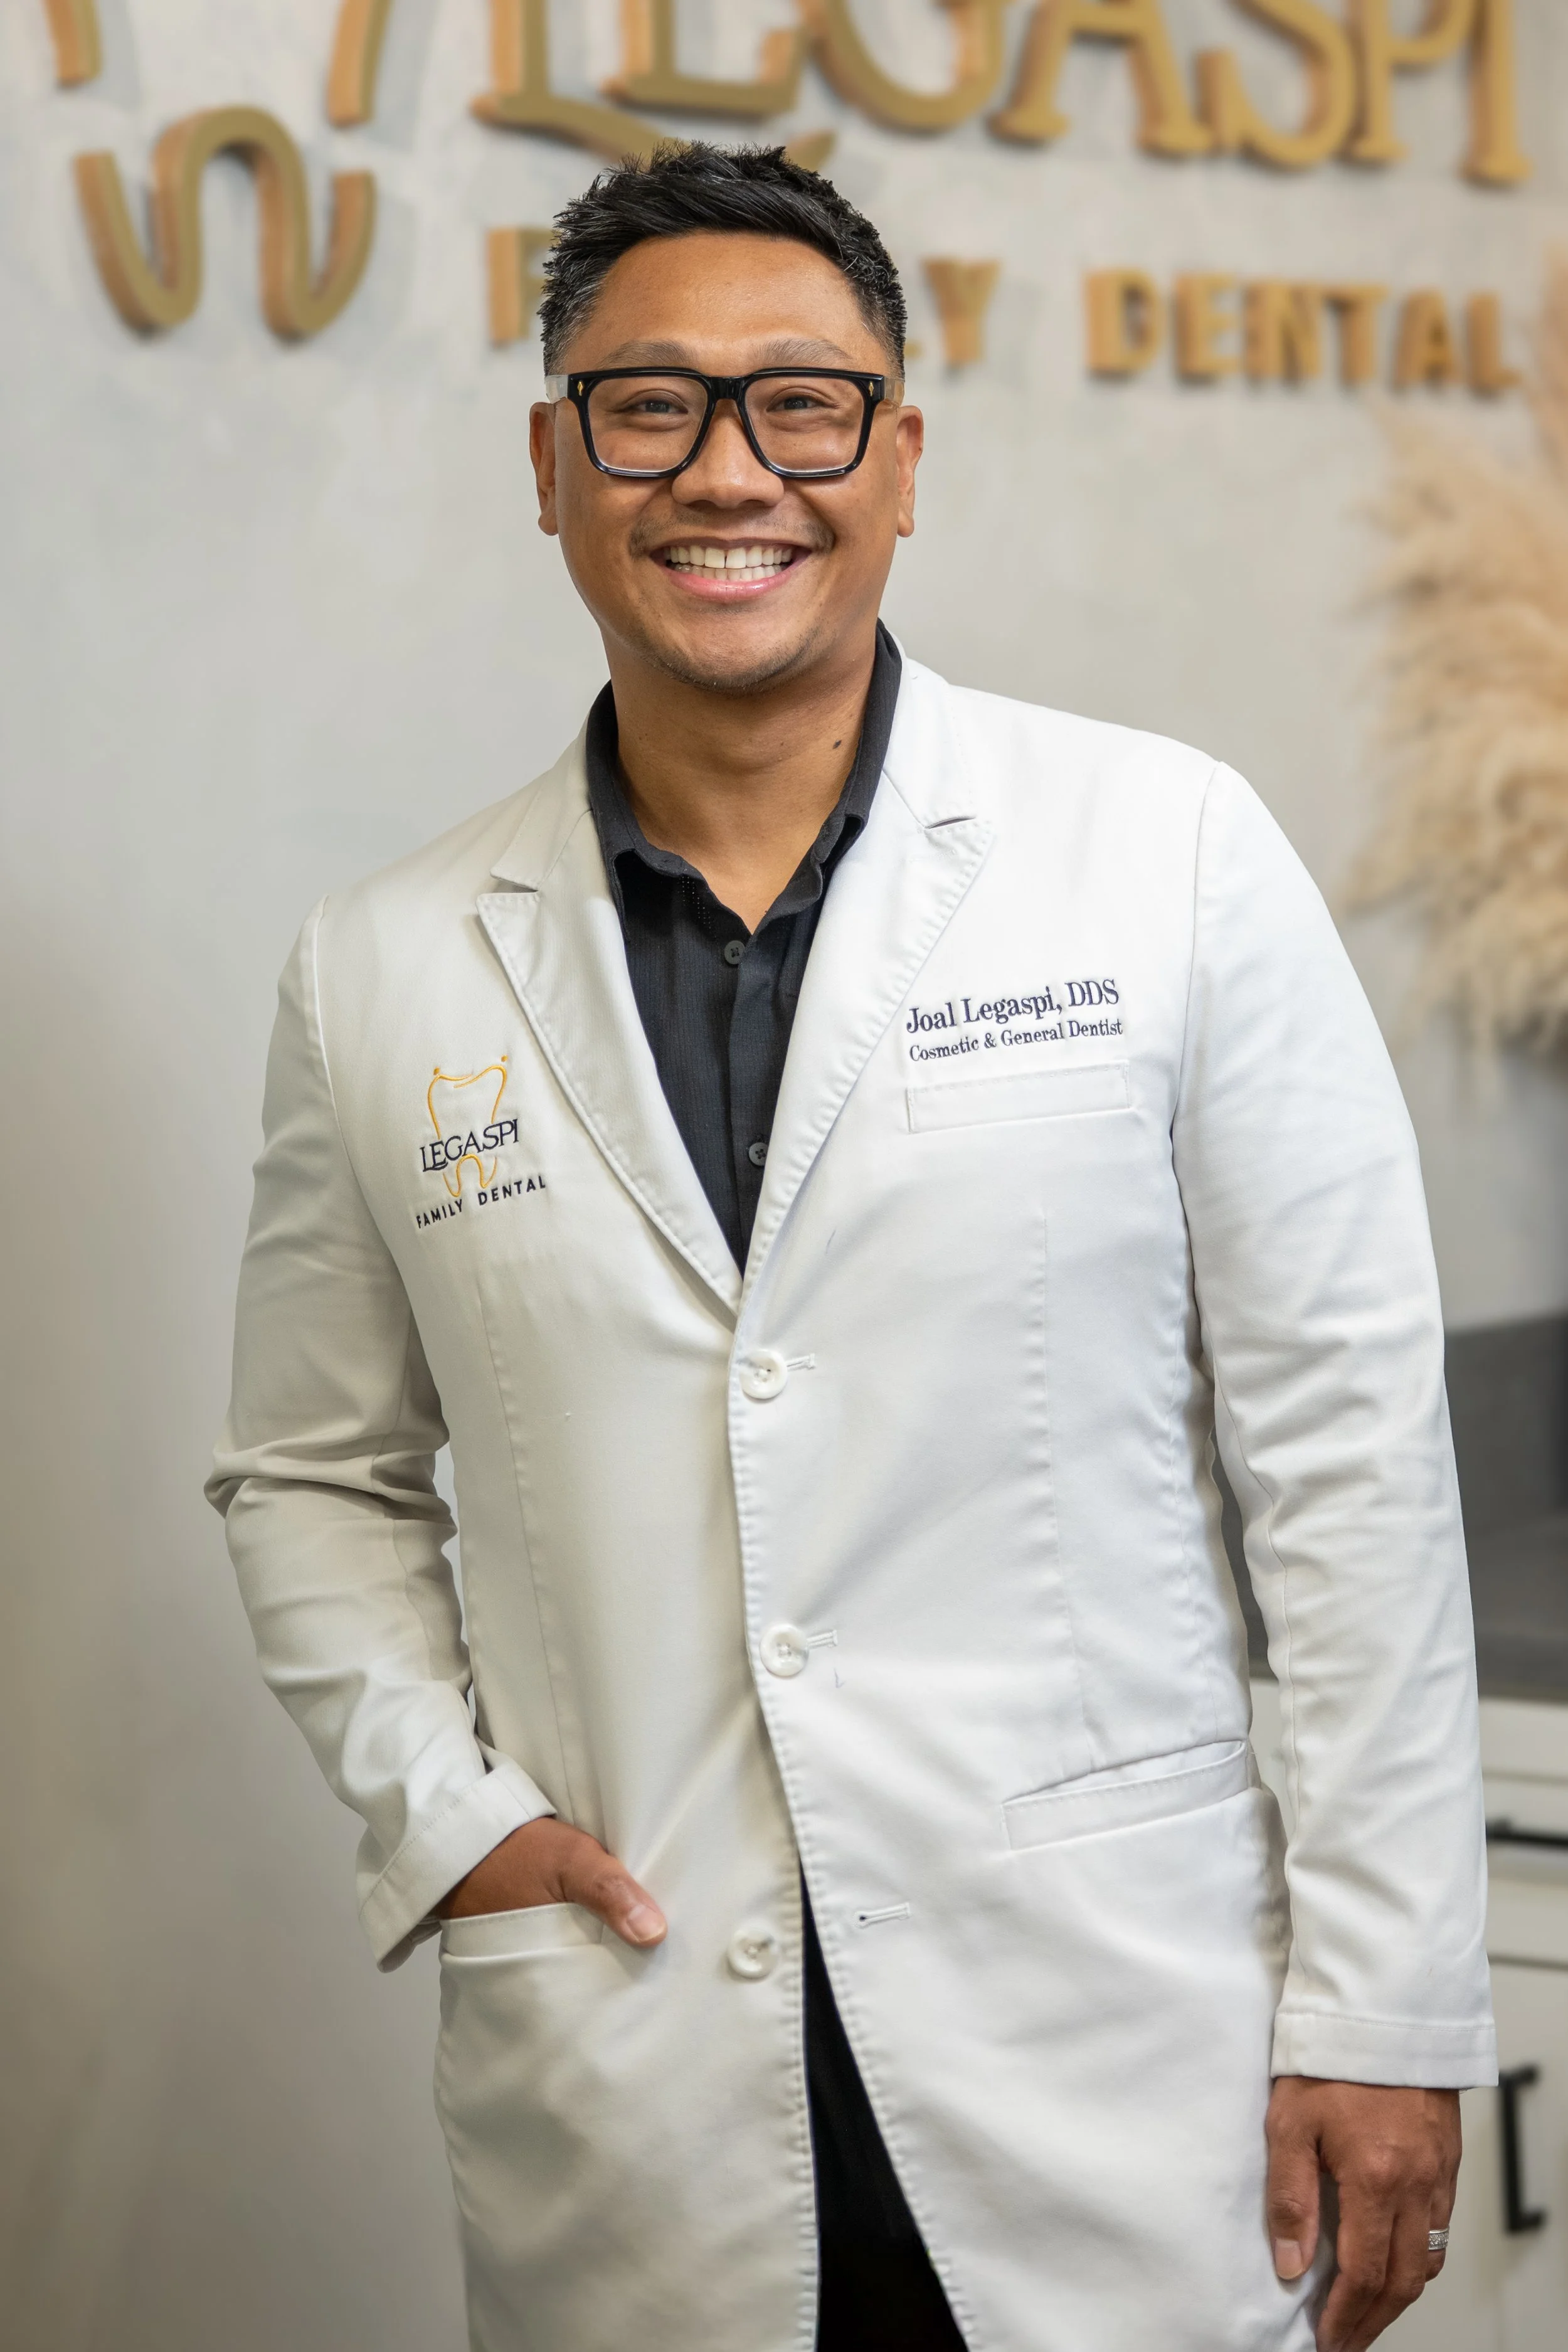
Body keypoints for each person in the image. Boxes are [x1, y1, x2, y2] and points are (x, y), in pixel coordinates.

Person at [208, 143, 1494, 2352]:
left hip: (1113, 2043)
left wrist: (1386, 1991)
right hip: (638, 2071)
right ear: (552, 465)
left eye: (803, 404)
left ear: (899, 460)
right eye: (651, 406)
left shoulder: (1161, 854)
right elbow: (306, 1472)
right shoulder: (385, 965)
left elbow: (1345, 1457)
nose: (732, 470)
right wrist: (456, 1817)